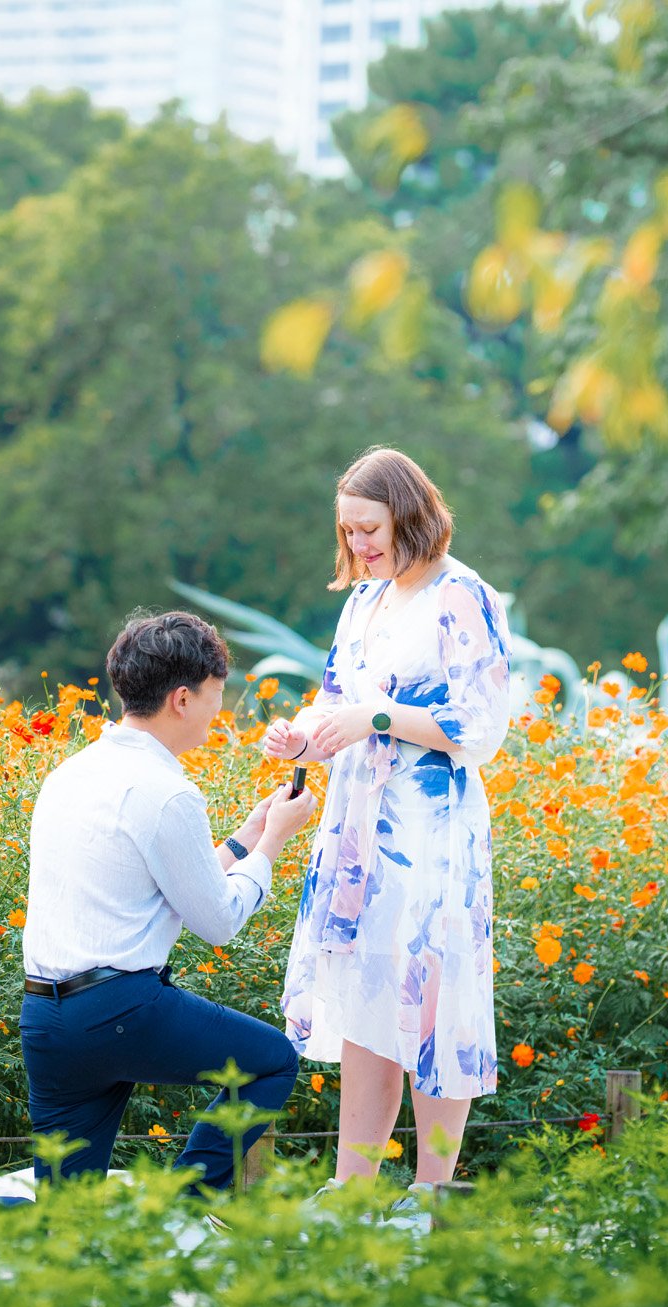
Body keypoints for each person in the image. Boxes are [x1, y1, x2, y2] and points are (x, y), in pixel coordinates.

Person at [0, 611, 316, 1255]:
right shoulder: (167, 792)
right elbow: (219, 921)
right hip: (122, 1009)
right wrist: (278, 842)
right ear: (182, 698)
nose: (217, 713)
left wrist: (247, 836)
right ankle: (182, 1211)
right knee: (270, 1063)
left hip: (49, 1019)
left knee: (65, 1224)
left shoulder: (72, 774)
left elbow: (162, 880)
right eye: (214, 697)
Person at [262, 446, 513, 1201]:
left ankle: (434, 1191)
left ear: (408, 513)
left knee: (432, 1000)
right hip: (356, 829)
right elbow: (335, 693)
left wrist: (374, 716)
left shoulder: (463, 594)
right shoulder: (363, 602)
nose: (359, 546)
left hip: (429, 828)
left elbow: (480, 723)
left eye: (368, 529)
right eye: (348, 533)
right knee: (369, 997)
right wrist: (302, 736)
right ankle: (353, 1188)